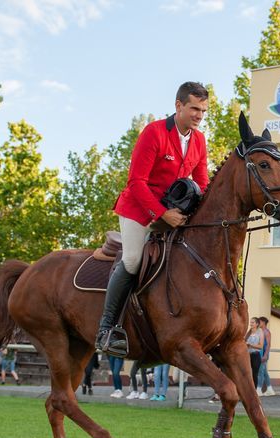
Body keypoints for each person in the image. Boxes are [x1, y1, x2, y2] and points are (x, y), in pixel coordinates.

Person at [95, 82, 210, 357]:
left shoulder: (200, 140)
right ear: (178, 105)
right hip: (140, 209)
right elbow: (136, 182)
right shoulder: (154, 132)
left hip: (173, 213)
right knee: (133, 260)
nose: (199, 115)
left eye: (203, 110)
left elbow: (203, 182)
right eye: (194, 108)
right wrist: (161, 214)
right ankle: (106, 329)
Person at [258, 316, 275, 396]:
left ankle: (258, 389)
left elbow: (268, 345)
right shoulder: (260, 331)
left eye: (260, 322)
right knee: (264, 372)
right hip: (260, 353)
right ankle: (269, 389)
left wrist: (265, 355)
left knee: (260, 371)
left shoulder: (267, 332)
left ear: (264, 322)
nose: (258, 323)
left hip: (264, 354)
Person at [245, 317, 263, 391]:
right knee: (246, 375)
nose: (250, 324)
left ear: (257, 324)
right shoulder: (248, 332)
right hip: (247, 356)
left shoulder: (260, 332)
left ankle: (253, 392)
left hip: (255, 355)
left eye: (252, 322)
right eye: (250, 322)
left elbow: (261, 346)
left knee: (254, 375)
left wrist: (250, 345)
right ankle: (245, 392)